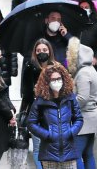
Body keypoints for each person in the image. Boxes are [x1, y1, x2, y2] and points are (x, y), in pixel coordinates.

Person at [27, 63, 84, 169]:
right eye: (53, 80)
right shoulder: (40, 101)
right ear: (47, 82)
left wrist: (71, 132)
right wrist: (47, 135)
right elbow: (31, 123)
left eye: (59, 78)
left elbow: (79, 119)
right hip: (48, 154)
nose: (57, 82)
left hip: (69, 152)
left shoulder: (70, 98)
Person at [20, 38, 59, 169]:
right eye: (38, 50)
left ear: (49, 51)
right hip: (35, 114)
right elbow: (26, 93)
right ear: (34, 53)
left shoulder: (56, 68)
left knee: (52, 147)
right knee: (37, 148)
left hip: (53, 114)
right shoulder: (30, 67)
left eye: (44, 50)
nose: (41, 52)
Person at [66, 37, 97, 169]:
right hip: (92, 119)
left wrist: (68, 107)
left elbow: (82, 98)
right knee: (88, 154)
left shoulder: (83, 73)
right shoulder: (90, 70)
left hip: (84, 121)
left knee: (76, 155)